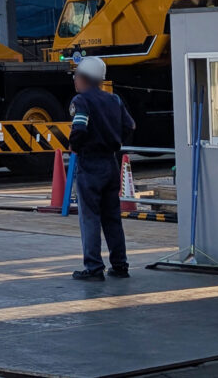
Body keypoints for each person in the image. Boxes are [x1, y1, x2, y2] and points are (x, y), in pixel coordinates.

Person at [69, 56, 136, 281]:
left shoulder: (81, 101)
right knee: (112, 217)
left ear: (84, 78)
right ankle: (120, 265)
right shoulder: (114, 100)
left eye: (76, 76)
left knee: (90, 218)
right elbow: (130, 125)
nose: (74, 80)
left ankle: (94, 268)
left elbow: (79, 128)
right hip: (110, 162)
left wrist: (75, 145)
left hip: (90, 164)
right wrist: (115, 140)